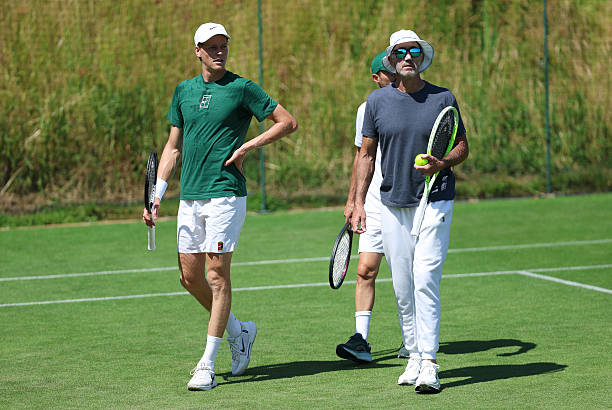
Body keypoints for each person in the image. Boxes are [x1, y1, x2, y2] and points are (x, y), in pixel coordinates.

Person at [142, 22, 297, 391]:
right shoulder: (184, 91)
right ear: (197, 50)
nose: (218, 52)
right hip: (190, 197)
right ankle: (239, 331)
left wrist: (247, 147)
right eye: (211, 46)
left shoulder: (242, 88)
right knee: (189, 278)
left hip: (226, 194)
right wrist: (157, 194)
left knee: (216, 276)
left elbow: (287, 122)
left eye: (223, 45)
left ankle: (207, 364)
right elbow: (173, 147)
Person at [351, 30, 469, 393]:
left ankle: (430, 363)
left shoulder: (442, 98)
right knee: (402, 286)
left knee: (425, 279)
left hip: (435, 200)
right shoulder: (376, 101)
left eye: (413, 51)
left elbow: (462, 146)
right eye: (400, 52)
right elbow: (366, 155)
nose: (407, 57)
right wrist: (357, 201)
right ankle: (414, 355)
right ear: (391, 59)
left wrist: (442, 163)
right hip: (392, 204)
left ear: (421, 57)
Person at [336, 51, 409, 363]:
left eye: (396, 72)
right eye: (388, 73)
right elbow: (361, 156)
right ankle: (361, 341)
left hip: (404, 203)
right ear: (376, 78)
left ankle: (412, 340)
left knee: (406, 275)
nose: (394, 77)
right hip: (374, 205)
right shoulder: (367, 108)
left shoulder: (414, 102)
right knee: (365, 269)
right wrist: (354, 201)